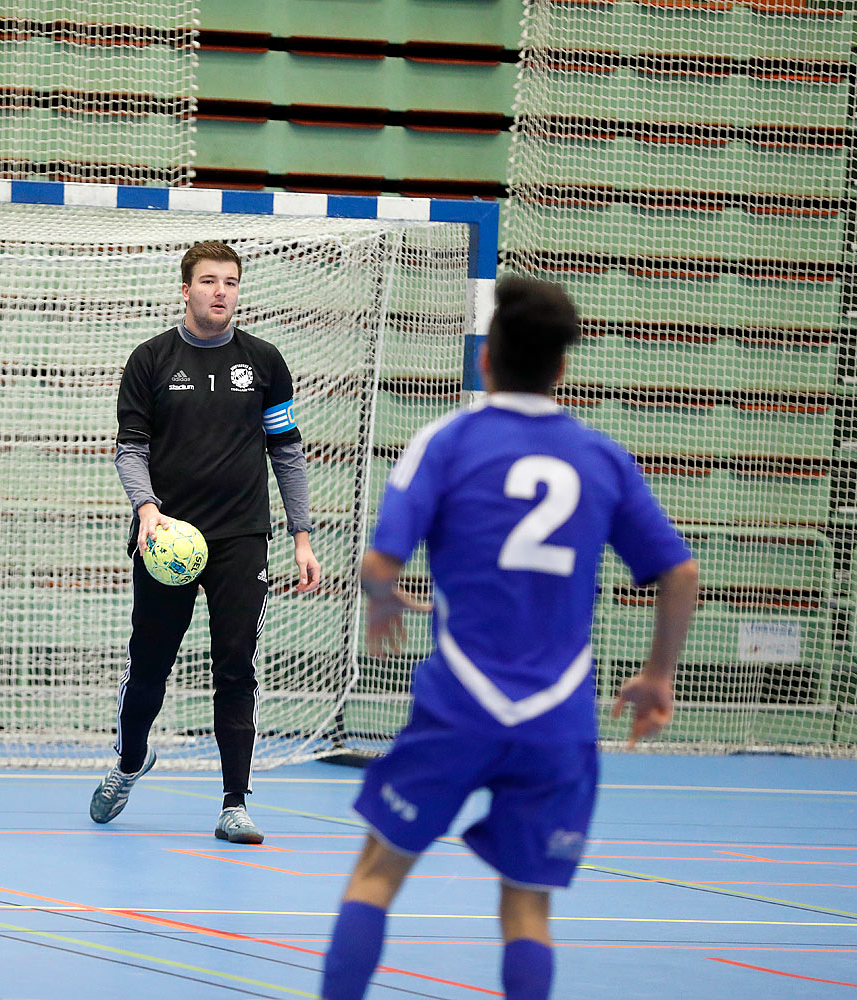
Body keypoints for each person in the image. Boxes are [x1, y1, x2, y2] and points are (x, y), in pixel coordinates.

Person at [319, 276, 700, 999]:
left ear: (485, 358)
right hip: (556, 720)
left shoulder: (449, 441)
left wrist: (379, 601)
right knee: (527, 905)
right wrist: (657, 675)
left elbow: (378, 563)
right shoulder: (602, 459)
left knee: (378, 870)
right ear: (563, 367)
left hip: (460, 704)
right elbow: (679, 574)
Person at [89, 240, 323, 844]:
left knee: (235, 667)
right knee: (150, 668)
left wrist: (301, 534)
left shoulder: (265, 362)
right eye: (210, 281)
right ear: (185, 289)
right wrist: (146, 509)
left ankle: (234, 803)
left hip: (242, 537)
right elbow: (130, 449)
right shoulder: (151, 360)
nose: (222, 291)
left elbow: (287, 453)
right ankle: (129, 759)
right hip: (166, 540)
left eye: (231, 282)